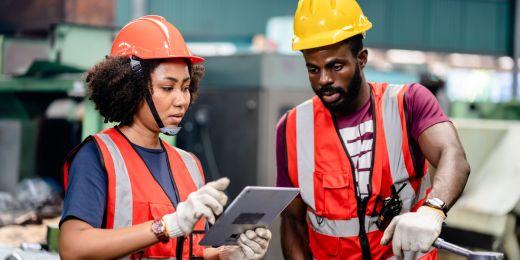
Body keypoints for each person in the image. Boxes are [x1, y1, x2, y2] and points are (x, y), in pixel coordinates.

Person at [59, 15, 271, 260]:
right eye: (168, 88)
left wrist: (226, 255)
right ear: (131, 88)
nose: (181, 100)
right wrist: (166, 226)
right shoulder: (98, 156)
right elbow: (73, 248)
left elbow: (189, 252)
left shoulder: (189, 165)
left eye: (185, 87)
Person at [276, 1, 470, 259]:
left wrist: (432, 210)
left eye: (336, 66)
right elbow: (292, 221)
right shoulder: (291, 127)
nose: (323, 80)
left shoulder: (408, 103)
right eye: (313, 69)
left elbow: (453, 156)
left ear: (361, 59)